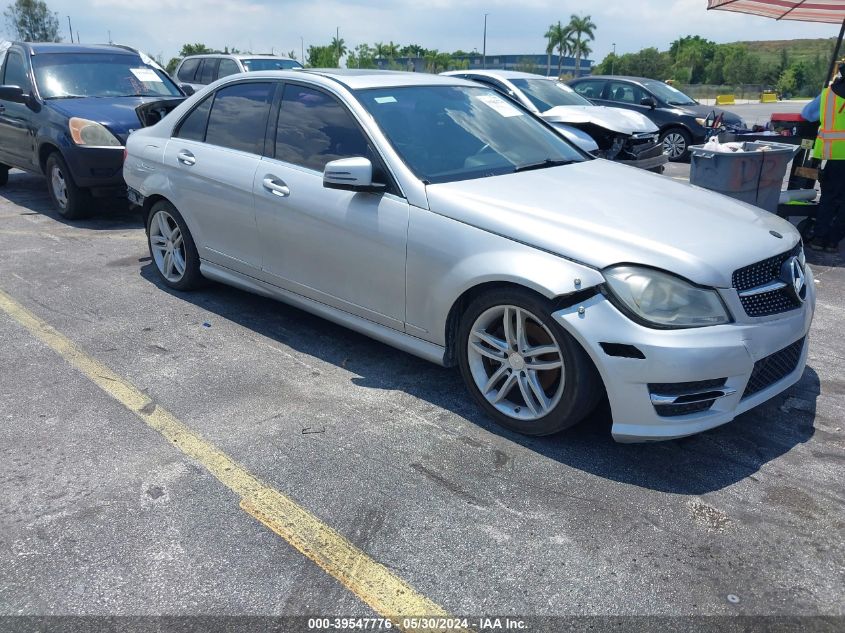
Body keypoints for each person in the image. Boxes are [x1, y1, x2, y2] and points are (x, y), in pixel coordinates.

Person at [802, 63, 845, 253]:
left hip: (832, 156)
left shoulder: (828, 94)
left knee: (829, 197)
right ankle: (834, 240)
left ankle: (819, 238)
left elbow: (807, 114)